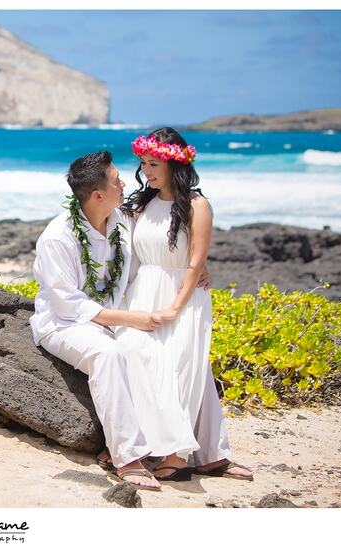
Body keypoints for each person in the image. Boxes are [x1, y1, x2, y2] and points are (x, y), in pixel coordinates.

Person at [30, 150, 206, 491]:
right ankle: (126, 457)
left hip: (110, 319)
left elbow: (153, 254)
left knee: (151, 348)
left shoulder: (122, 223)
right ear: (98, 195)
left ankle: (170, 444)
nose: (125, 182)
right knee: (109, 355)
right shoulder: (57, 238)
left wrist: (198, 268)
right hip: (64, 324)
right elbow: (67, 305)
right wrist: (131, 318)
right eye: (116, 180)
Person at [116, 127, 253, 481]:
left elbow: (194, 262)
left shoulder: (197, 205)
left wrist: (177, 305)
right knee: (137, 353)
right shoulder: (141, 203)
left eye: (154, 163)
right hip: (144, 289)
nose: (147, 170)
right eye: (143, 163)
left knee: (182, 367)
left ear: (176, 164)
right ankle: (208, 453)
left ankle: (178, 455)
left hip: (184, 294)